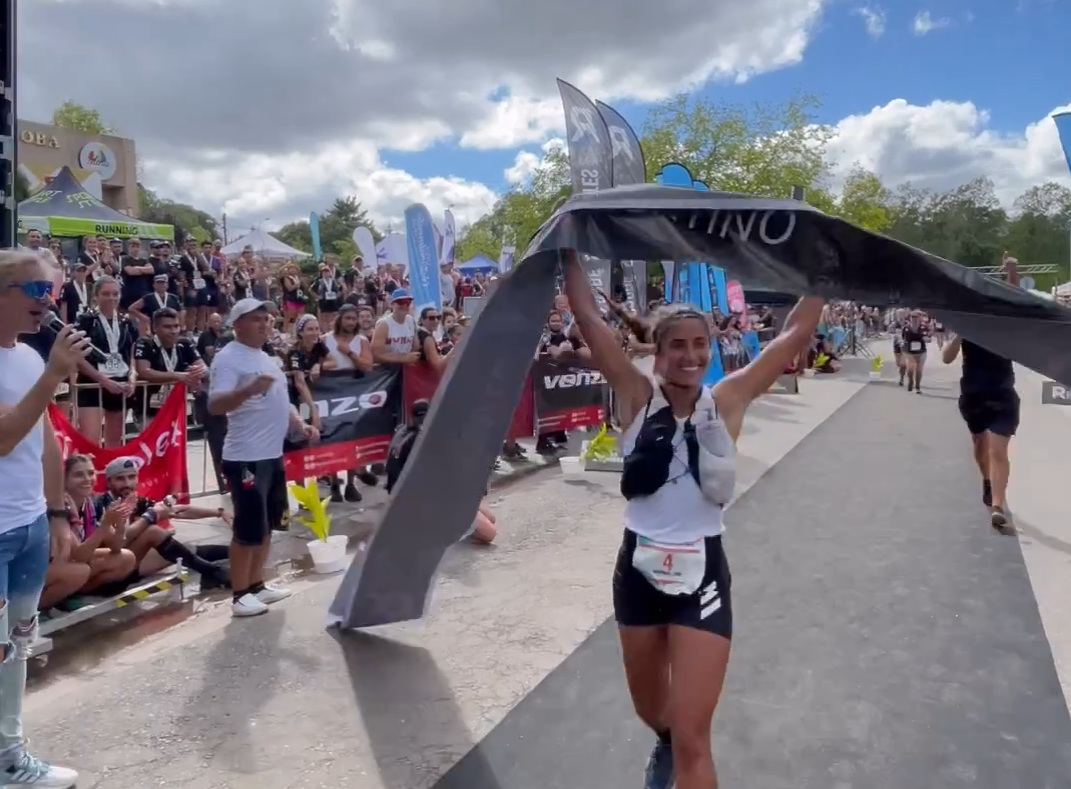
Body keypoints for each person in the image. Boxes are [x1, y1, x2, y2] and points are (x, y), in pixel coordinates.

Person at [561, 249, 821, 789]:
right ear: (655, 354)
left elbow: (792, 337)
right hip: (637, 570)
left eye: (699, 344)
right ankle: (665, 741)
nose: (690, 355)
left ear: (711, 349)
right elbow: (587, 316)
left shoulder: (728, 399)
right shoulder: (636, 395)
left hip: (702, 576)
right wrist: (567, 248)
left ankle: (678, 746)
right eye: (677, 345)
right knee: (654, 713)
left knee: (694, 736)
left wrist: (824, 273)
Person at [0, 249, 87, 787]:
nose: (47, 303)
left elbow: (48, 442)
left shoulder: (30, 359)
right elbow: (5, 436)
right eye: (36, 291)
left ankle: (10, 755)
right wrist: (54, 371)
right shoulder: (41, 364)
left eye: (51, 292)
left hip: (30, 525)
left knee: (17, 648)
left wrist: (56, 514)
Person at [209, 298, 319, 617]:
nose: (264, 323)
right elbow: (216, 406)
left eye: (267, 318)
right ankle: (240, 594)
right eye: (256, 318)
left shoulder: (266, 356)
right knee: (247, 529)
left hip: (271, 455)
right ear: (237, 324)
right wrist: (246, 390)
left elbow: (279, 400)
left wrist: (300, 426)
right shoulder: (228, 359)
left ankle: (257, 585)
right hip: (245, 457)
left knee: (267, 525)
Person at [900, 311, 927, 393]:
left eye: (916, 318)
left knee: (919, 369)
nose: (915, 319)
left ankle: (917, 386)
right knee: (910, 367)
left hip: (921, 351)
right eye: (913, 317)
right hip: (909, 351)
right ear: (910, 318)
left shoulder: (923, 327)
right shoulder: (906, 328)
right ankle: (911, 381)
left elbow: (929, 335)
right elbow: (903, 338)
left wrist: (927, 337)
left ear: (920, 319)